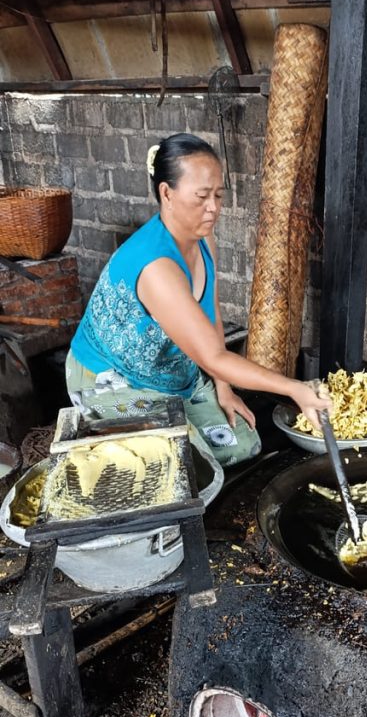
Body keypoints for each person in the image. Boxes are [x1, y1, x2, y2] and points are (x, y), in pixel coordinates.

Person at [66, 132, 330, 469]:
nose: (214, 208)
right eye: (202, 196)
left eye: (219, 195)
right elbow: (214, 355)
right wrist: (295, 388)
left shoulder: (203, 240)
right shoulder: (156, 266)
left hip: (174, 375)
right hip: (114, 380)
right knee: (188, 469)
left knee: (241, 446)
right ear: (167, 193)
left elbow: (212, 319)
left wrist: (223, 387)